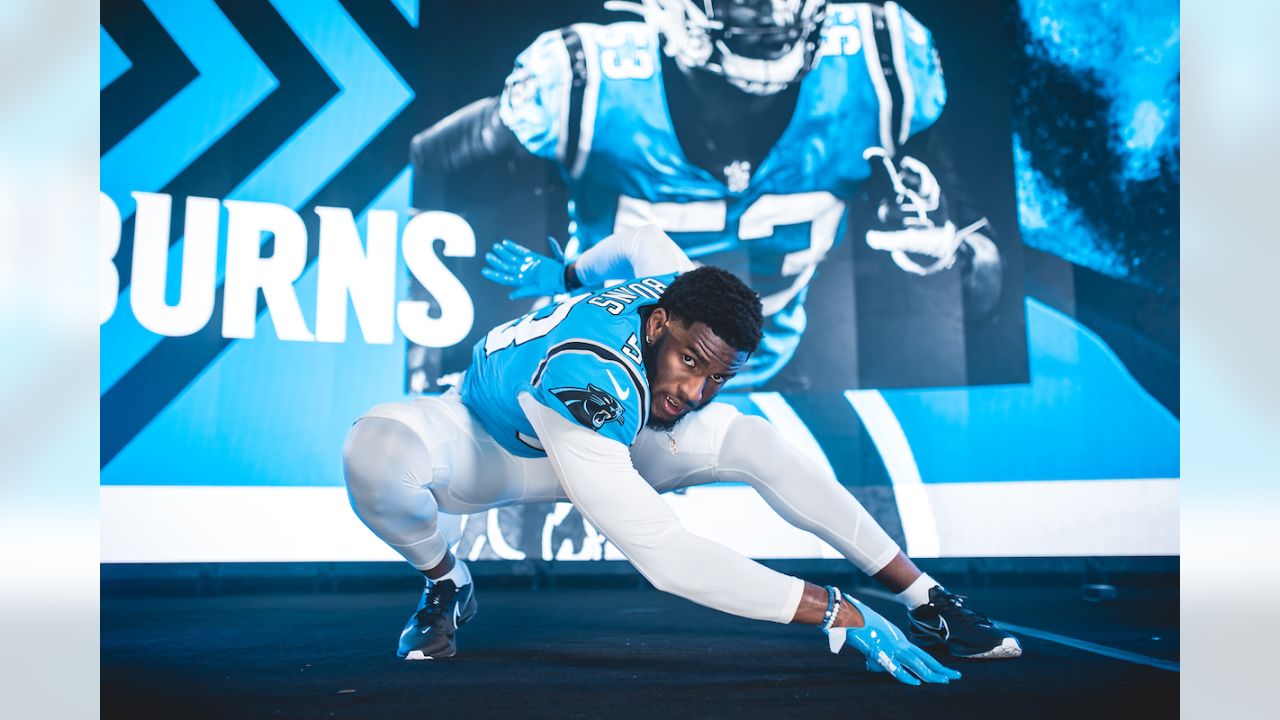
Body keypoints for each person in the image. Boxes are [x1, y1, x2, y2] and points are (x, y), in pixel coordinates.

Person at [342, 226, 1021, 679]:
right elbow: (667, 559)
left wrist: (568, 270)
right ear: (659, 323)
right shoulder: (592, 375)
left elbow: (636, 242)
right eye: (690, 362)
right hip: (491, 448)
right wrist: (833, 609)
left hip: (614, 443)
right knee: (376, 450)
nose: (696, 391)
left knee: (752, 439)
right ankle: (445, 583)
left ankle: (927, 596)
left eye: (717, 376)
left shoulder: (675, 287)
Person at [408, 0, 1003, 390]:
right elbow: (431, 163)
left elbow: (984, 286)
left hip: (774, 372)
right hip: (604, 373)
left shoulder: (881, 64)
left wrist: (942, 249)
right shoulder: (586, 83)